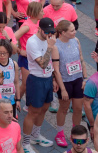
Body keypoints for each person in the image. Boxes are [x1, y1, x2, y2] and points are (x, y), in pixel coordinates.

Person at [22, 18, 61, 153]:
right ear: (39, 29)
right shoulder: (32, 42)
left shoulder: (48, 39)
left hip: (47, 79)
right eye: (46, 32)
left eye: (51, 32)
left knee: (44, 108)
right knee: (33, 112)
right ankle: (25, 143)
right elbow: (43, 63)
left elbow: (49, 64)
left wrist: (54, 79)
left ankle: (35, 135)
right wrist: (50, 46)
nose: (49, 35)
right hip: (36, 80)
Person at [54, 20, 86, 148]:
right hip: (65, 81)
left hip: (78, 79)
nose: (75, 32)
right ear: (62, 33)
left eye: (74, 29)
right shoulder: (56, 46)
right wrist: (62, 89)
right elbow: (56, 69)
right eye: (72, 30)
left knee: (78, 108)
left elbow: (82, 59)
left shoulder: (76, 40)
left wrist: (85, 78)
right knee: (64, 108)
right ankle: (60, 133)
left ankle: (75, 133)